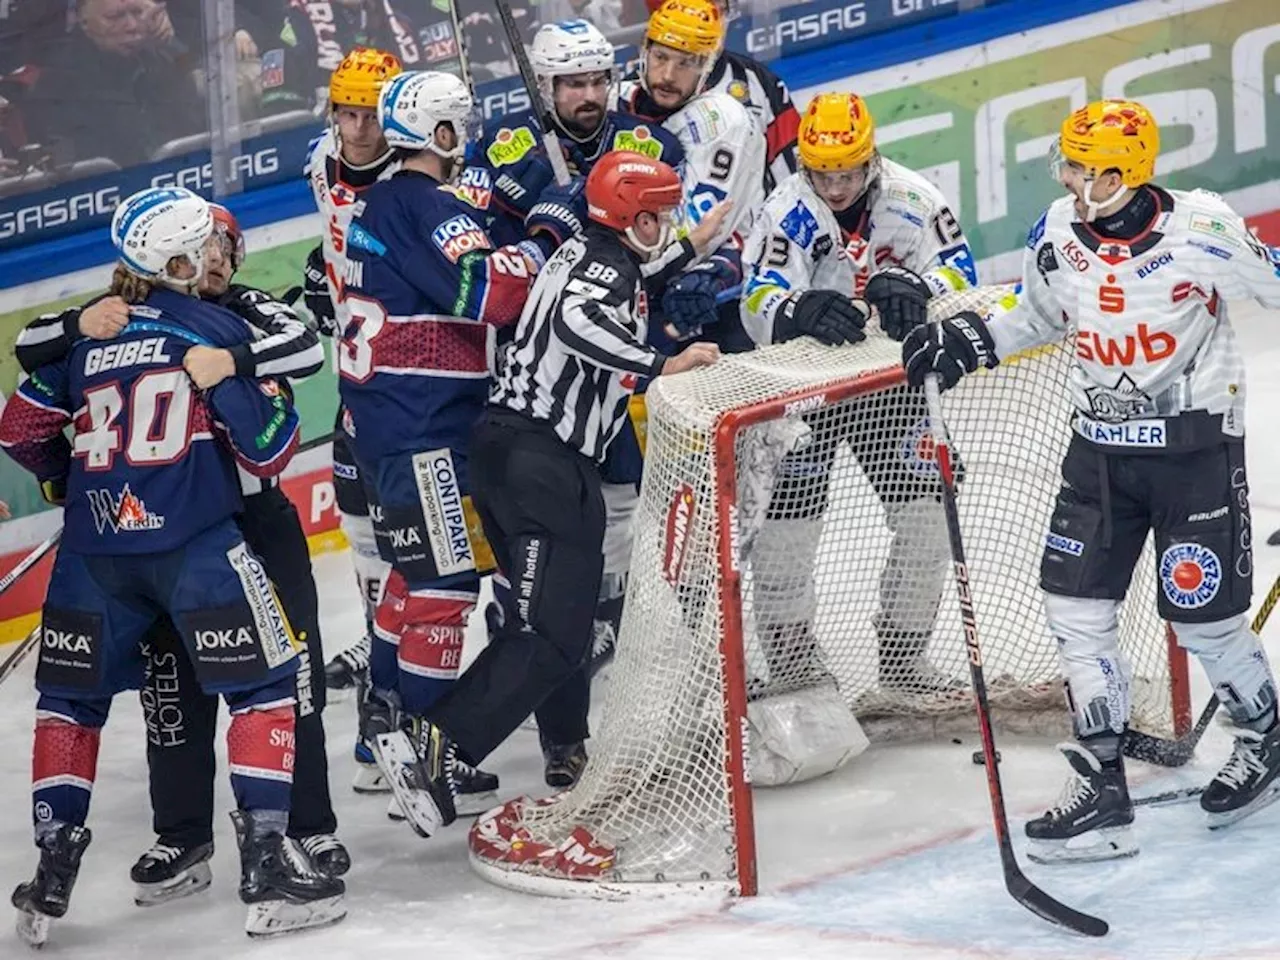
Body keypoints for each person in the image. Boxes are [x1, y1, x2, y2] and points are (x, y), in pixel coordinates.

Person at [903, 98, 1280, 861]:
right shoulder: (1057, 231)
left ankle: (1266, 737)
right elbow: (1035, 316)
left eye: (1079, 165)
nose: (1066, 175)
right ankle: (1103, 783)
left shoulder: (1203, 232)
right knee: (1074, 608)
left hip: (1194, 455)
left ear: (1119, 172)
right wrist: (968, 341)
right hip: (1098, 457)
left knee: (1201, 619)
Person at [0, 186, 343, 944]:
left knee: (68, 706)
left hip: (96, 558)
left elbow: (18, 427)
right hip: (197, 546)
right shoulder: (211, 326)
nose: (218, 256)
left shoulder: (87, 338)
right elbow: (269, 448)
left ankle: (52, 868)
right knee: (265, 688)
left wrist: (72, 474)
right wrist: (234, 389)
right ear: (180, 257)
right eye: (205, 245)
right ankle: (265, 865)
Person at [380, 150, 720, 835]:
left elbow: (623, 276)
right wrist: (662, 363)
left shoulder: (587, 248)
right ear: (636, 218)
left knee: (559, 630)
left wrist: (686, 246)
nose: (670, 223)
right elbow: (577, 317)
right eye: (663, 216)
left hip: (511, 457)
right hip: (543, 464)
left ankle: (561, 748)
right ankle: (433, 741)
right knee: (546, 633)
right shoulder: (602, 267)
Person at [338, 69, 568, 837]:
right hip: (423, 427)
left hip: (386, 425)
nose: (464, 135)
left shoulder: (382, 200)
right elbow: (489, 293)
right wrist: (545, 234)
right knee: (446, 586)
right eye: (457, 126)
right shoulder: (426, 203)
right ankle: (423, 751)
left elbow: (455, 254)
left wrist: (500, 215)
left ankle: (383, 733)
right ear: (438, 133)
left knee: (409, 576)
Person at [463, 16, 687, 787]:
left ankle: (591, 675)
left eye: (597, 81)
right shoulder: (508, 146)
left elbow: (659, 231)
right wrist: (556, 206)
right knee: (533, 574)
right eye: (572, 84)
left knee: (610, 543)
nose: (588, 97)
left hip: (607, 383)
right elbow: (514, 244)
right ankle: (555, 720)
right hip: (539, 382)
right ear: (548, 86)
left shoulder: (642, 143)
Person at [739, 91, 978, 712]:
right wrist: (795, 309)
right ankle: (791, 661)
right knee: (787, 534)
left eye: (846, 172)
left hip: (888, 388)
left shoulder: (916, 199)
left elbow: (963, 275)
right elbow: (757, 295)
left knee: (928, 516)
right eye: (822, 173)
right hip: (803, 394)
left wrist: (920, 287)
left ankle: (903, 658)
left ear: (871, 159)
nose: (835, 185)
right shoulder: (785, 209)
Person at [302, 45, 405, 795]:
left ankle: (414, 673)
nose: (358, 127)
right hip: (357, 378)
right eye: (347, 111)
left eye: (372, 113)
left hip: (419, 381)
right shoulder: (319, 161)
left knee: (435, 542)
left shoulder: (417, 179)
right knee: (364, 530)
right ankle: (382, 657)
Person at [644, 0, 799, 195]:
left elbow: (794, 182)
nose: (712, 21)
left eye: (718, 10)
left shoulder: (758, 83)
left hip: (745, 223)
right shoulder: (627, 95)